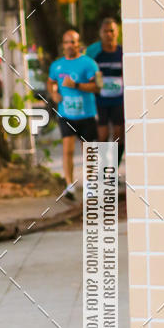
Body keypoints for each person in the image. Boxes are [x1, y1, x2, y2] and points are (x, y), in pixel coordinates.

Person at [47, 28, 100, 201]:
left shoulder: (89, 64)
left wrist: (76, 85)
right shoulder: (57, 65)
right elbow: (51, 82)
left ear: (79, 44)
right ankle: (69, 186)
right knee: (67, 150)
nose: (70, 45)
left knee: (89, 151)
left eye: (73, 42)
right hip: (66, 114)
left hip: (86, 114)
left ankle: (91, 186)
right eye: (67, 42)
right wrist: (54, 93)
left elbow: (97, 87)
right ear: (63, 45)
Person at [86, 17, 125, 166]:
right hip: (100, 99)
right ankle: (104, 164)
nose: (109, 34)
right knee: (102, 135)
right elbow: (88, 73)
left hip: (118, 99)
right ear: (100, 33)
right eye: (105, 31)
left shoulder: (122, 52)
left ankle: (114, 167)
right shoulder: (94, 52)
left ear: (117, 32)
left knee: (118, 135)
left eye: (112, 31)